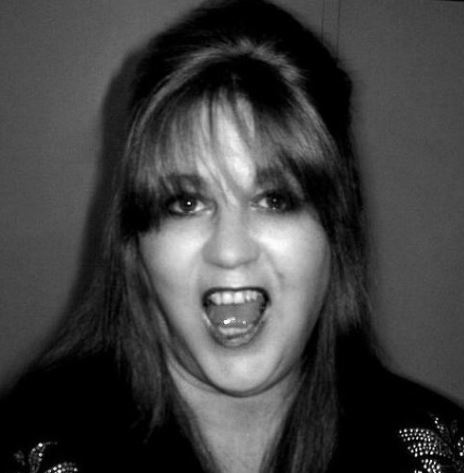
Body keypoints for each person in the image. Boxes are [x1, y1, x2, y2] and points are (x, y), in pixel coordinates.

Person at [1, 0, 463, 472]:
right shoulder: (32, 449)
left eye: (275, 199)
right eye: (186, 203)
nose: (230, 251)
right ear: (135, 244)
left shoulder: (436, 452)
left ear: (336, 232)